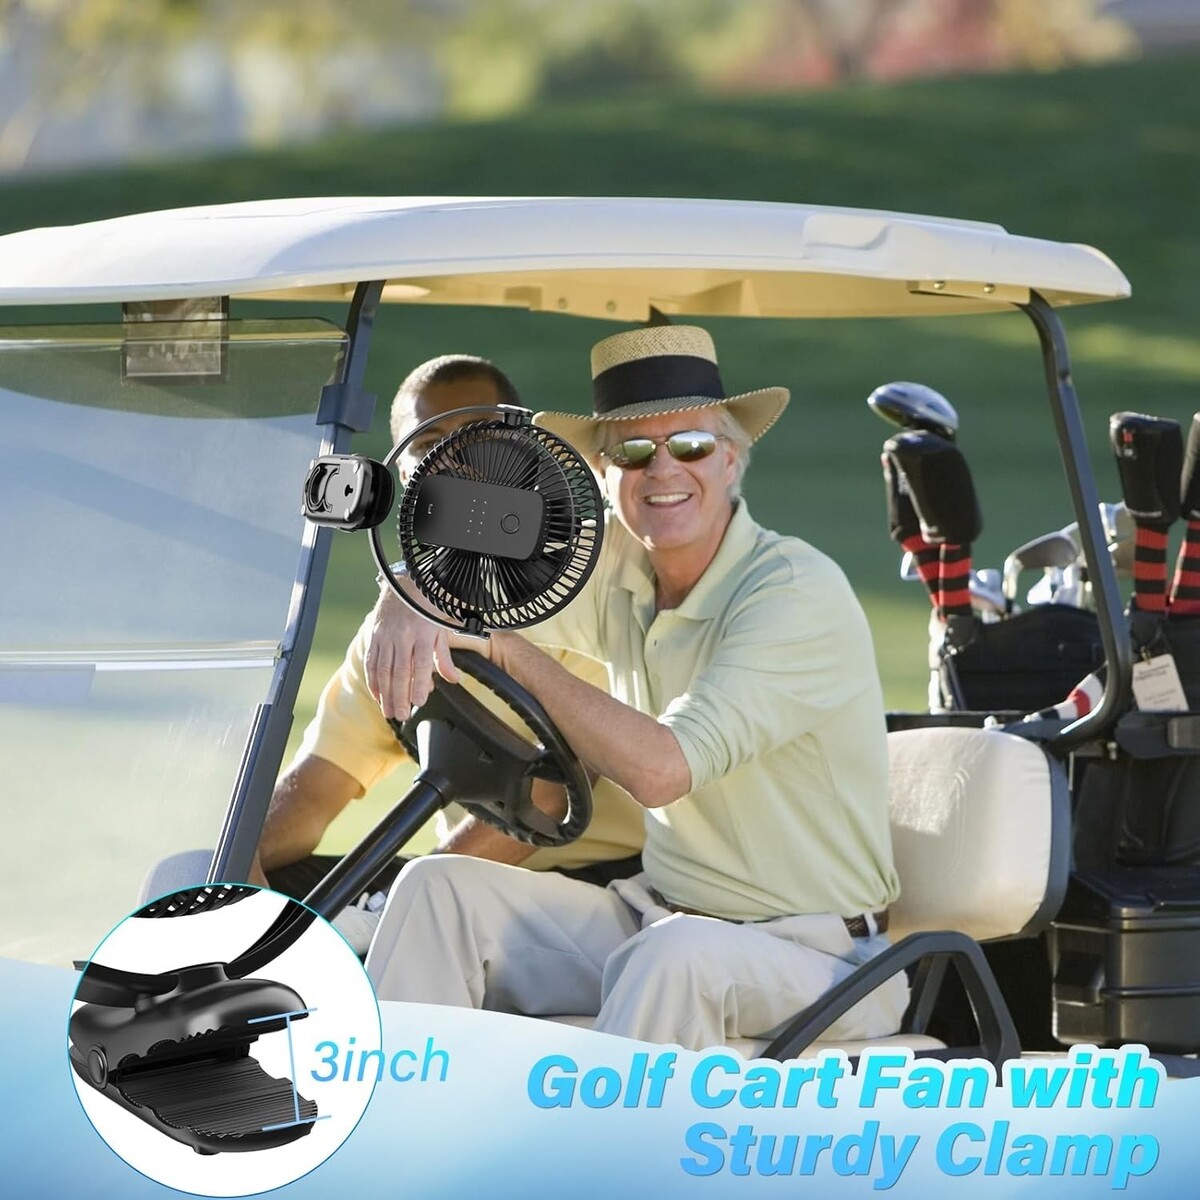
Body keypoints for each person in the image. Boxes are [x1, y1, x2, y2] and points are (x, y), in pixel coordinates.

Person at [362, 325, 906, 1052]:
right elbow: (460, 551)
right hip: (660, 918)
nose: (662, 471)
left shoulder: (794, 592)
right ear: (602, 475)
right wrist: (404, 589)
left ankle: (585, 1136)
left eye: (691, 445)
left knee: (673, 957)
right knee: (439, 891)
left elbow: (661, 771)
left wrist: (509, 652)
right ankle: (395, 1116)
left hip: (823, 961)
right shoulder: (619, 564)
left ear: (733, 459)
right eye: (633, 453)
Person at [249, 355, 645, 927]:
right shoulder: (396, 623)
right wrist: (239, 866)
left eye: (477, 434)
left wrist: (405, 904)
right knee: (195, 874)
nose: (454, 459)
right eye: (429, 442)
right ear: (402, 470)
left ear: (522, 448)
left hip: (601, 884)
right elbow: (317, 787)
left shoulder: (588, 585)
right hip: (460, 884)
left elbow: (546, 798)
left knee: (410, 913)